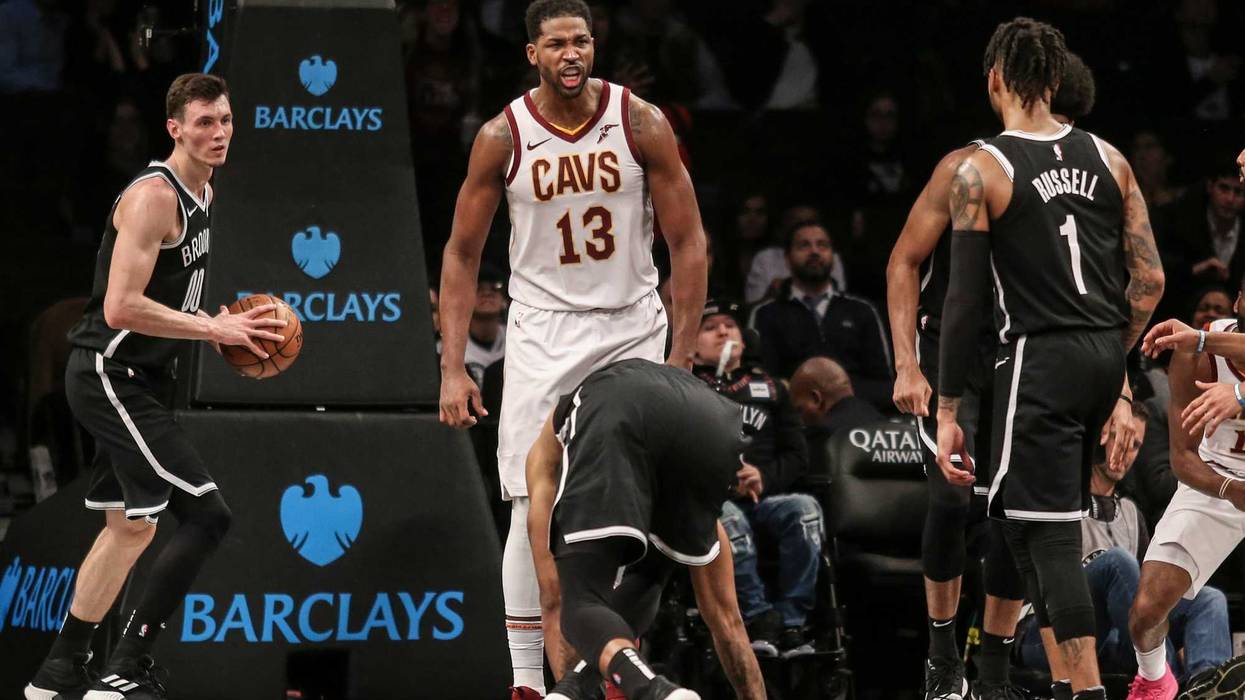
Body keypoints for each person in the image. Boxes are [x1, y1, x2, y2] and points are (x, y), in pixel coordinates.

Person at [437, 1, 708, 695]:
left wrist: (679, 361)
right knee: (532, 507)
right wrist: (451, 367)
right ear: (531, 52)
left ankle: (602, 668)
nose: (570, 54)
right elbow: (462, 253)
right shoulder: (503, 135)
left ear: (595, 46)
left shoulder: (639, 120)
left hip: (630, 328)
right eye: (556, 43)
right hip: (542, 331)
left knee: (639, 515)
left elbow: (688, 243)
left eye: (581, 41)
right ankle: (529, 681)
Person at [25, 74, 287, 700]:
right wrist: (210, 328)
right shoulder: (154, 197)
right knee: (207, 514)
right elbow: (119, 307)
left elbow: (167, 293)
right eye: (204, 123)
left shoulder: (206, 187)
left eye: (225, 120)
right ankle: (126, 665)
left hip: (138, 375)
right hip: (108, 372)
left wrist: (213, 322)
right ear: (175, 129)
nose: (219, 133)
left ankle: (59, 671)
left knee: (130, 529)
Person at [935, 17, 1164, 700]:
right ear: (1056, 81)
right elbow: (1148, 282)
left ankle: (1086, 691)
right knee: (1015, 515)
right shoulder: (1110, 158)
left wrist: (946, 409)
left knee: (1053, 537)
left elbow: (963, 303)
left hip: (1038, 357)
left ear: (995, 79)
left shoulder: (980, 169)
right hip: (1101, 351)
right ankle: (1012, 678)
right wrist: (1113, 362)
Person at [888, 49, 1097, 700]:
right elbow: (903, 262)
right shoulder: (968, 167)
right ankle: (942, 651)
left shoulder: (1081, 178)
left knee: (1014, 512)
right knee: (952, 499)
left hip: (1019, 357)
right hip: (946, 349)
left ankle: (995, 667)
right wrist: (903, 365)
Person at [526, 358, 766, 700]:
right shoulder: (650, 468)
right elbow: (727, 620)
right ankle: (574, 689)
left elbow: (556, 600)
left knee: (581, 602)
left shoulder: (544, 464)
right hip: (715, 420)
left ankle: (653, 689)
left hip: (618, 408)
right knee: (654, 572)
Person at [1017, 406, 1231, 685]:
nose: (1125, 451)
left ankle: (1207, 686)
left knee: (1208, 599)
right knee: (1116, 563)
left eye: (1135, 445)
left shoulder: (1131, 512)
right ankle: (1166, 683)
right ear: (1100, 436)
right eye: (1119, 438)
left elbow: (1145, 598)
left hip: (1115, 639)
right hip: (1046, 635)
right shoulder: (1058, 499)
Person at [689, 299, 818, 658]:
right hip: (712, 503)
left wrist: (763, 476)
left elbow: (797, 457)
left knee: (804, 509)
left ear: (745, 340)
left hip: (765, 500)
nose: (723, 331)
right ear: (692, 346)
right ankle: (760, 618)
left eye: (730, 325)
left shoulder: (774, 388)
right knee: (728, 520)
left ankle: (793, 623)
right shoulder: (684, 387)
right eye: (710, 327)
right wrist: (723, 480)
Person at [1128, 305, 1245, 698]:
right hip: (1218, 481)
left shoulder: (1198, 341)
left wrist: (1241, 395)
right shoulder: (1196, 356)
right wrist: (1231, 489)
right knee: (1145, 611)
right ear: (1240, 300)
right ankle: (1155, 680)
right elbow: (1182, 459)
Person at [749, 221, 893, 409]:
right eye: (804, 245)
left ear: (833, 256)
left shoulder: (862, 310)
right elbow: (761, 382)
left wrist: (842, 396)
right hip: (793, 418)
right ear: (787, 258)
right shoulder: (766, 314)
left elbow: (884, 383)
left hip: (857, 416)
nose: (814, 251)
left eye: (822, 245)